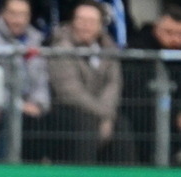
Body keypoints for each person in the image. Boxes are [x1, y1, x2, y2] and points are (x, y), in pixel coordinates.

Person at [47, 0, 135, 165]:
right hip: (68, 110)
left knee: (122, 126)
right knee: (86, 126)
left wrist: (107, 115)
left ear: (101, 26)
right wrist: (103, 114)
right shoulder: (60, 47)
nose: (85, 26)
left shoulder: (109, 48)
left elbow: (113, 84)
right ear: (73, 22)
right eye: (81, 20)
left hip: (102, 111)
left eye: (91, 22)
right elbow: (70, 92)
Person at [123, 5, 181, 167]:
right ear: (157, 29)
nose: (175, 40)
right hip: (147, 118)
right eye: (169, 33)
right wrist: (175, 115)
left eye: (180, 35)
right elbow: (136, 93)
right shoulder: (139, 52)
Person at [0, 0, 50, 161]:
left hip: (31, 106)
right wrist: (18, 104)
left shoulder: (36, 39)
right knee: (14, 120)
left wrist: (38, 103)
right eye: (13, 14)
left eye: (23, 15)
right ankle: (3, 169)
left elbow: (41, 79)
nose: (18, 20)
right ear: (2, 14)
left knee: (53, 121)